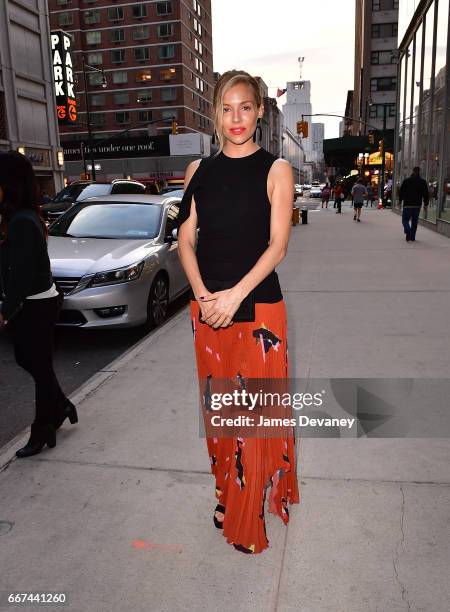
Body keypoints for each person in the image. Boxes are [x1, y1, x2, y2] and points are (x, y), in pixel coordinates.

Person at [176, 70, 300, 555]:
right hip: (207, 309)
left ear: (260, 111)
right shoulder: (197, 173)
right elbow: (186, 240)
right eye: (226, 108)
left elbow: (278, 246)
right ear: (214, 113)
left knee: (255, 416)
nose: (236, 118)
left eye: (245, 107)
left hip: (260, 307)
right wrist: (206, 295)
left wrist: (233, 296)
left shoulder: (277, 171)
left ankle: (250, 501)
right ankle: (226, 491)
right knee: (222, 411)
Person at [0, 152, 78, 458]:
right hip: (36, 304)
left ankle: (43, 427)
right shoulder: (18, 217)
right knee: (33, 363)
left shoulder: (22, 221)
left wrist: (5, 312)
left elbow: (22, 274)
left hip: (36, 306)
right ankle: (59, 406)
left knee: (37, 365)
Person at [399, 166, 429, 242]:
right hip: (417, 205)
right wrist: (426, 204)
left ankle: (407, 230)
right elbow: (426, 194)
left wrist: (400, 201)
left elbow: (401, 191)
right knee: (414, 221)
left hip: (407, 204)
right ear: (419, 172)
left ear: (412, 171)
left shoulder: (407, 181)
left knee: (405, 220)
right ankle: (412, 237)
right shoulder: (422, 182)